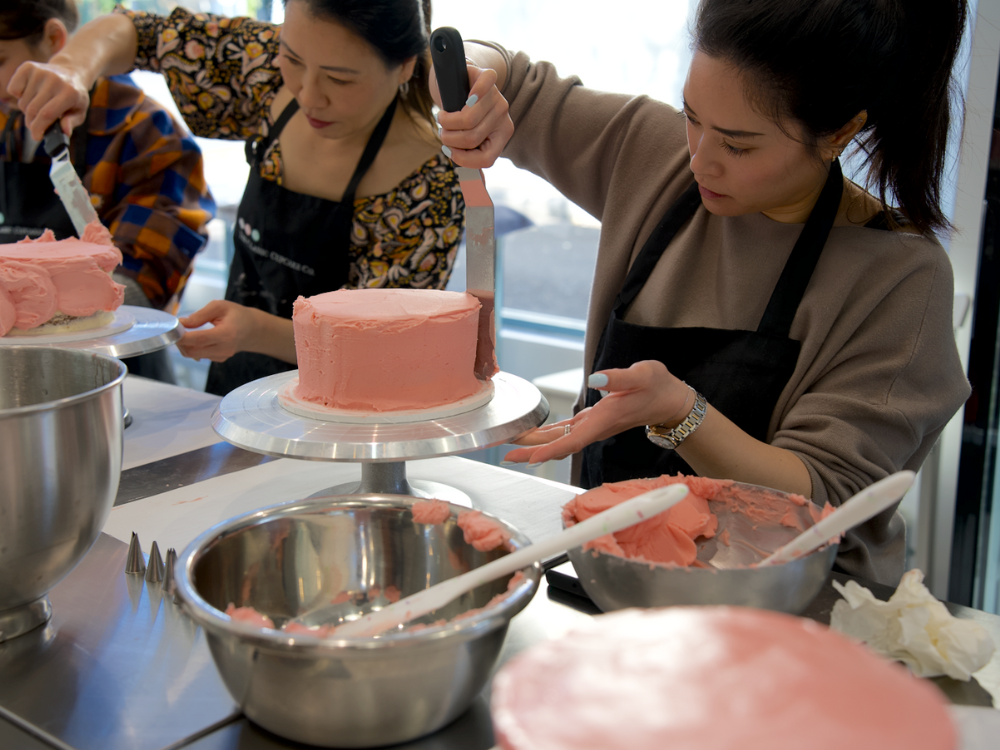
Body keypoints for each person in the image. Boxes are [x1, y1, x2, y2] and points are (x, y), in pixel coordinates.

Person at [435, 0, 971, 584]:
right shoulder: (651, 155)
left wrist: (681, 414)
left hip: (789, 613)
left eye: (739, 146)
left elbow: (828, 502)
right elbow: (510, 75)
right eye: (692, 117)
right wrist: (473, 86)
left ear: (839, 133)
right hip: (615, 582)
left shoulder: (899, 278)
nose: (699, 161)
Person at [11, 0, 464, 396]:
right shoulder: (263, 69)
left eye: (340, 80)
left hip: (354, 416)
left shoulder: (427, 186)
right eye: (292, 58)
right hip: (236, 394)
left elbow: (388, 347)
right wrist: (71, 67)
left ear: (406, 66)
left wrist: (257, 330)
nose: (307, 94)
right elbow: (136, 30)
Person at [0, 0, 215, 382]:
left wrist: (24, 305)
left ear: (53, 39)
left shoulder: (151, 135)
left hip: (122, 381)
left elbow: (139, 285)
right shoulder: (10, 121)